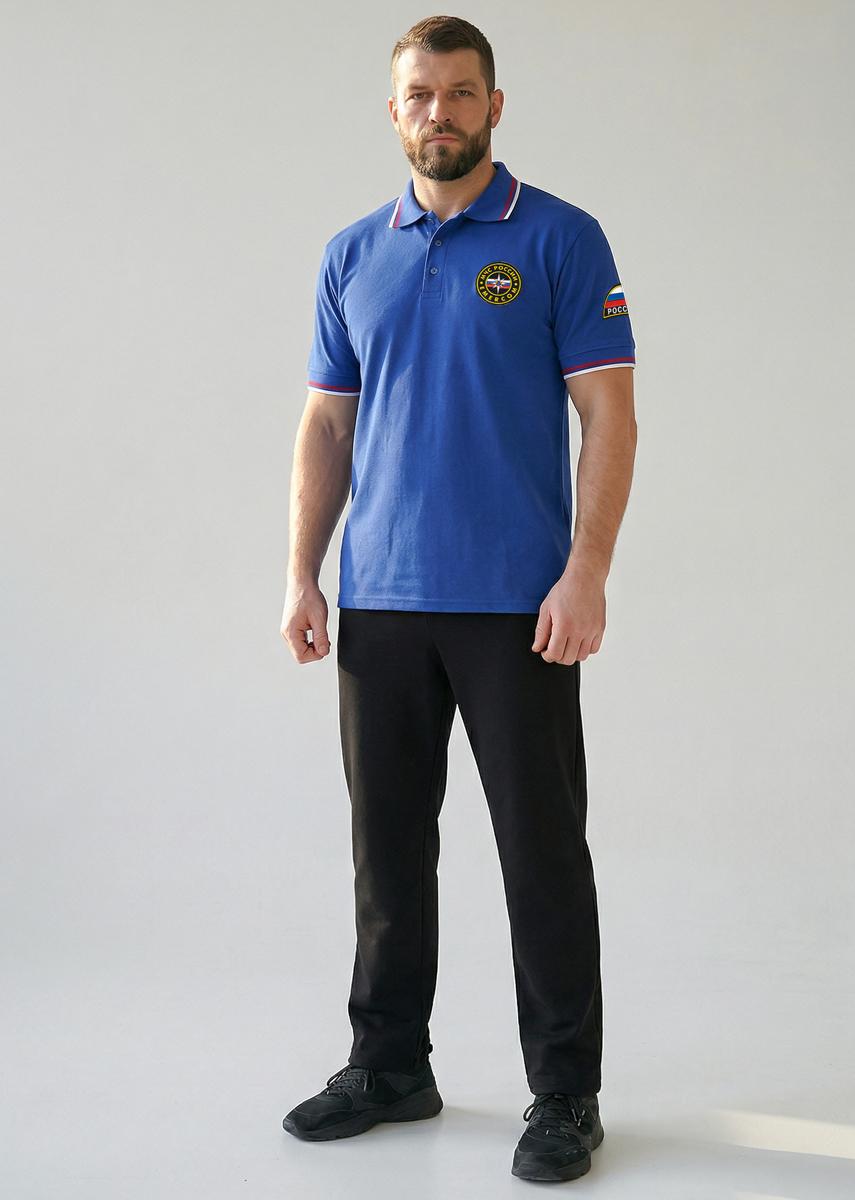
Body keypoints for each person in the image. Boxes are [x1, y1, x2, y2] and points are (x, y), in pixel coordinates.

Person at [279, 14, 637, 1184]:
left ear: (495, 105)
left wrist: (586, 570)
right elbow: (327, 425)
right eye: (420, 94)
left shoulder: (559, 238)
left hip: (517, 605)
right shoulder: (352, 253)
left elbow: (610, 413)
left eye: (462, 92)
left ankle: (566, 1092)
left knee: (541, 853)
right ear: (395, 111)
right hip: (380, 601)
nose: (441, 112)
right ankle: (390, 1065)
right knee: (386, 852)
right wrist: (302, 572)